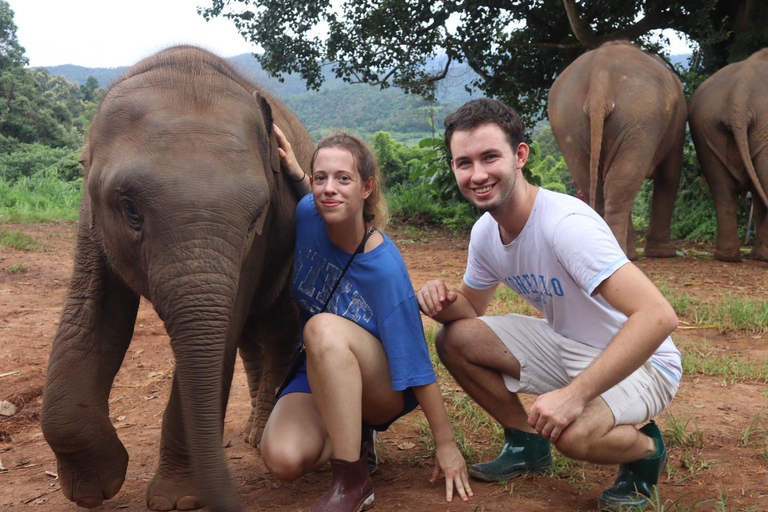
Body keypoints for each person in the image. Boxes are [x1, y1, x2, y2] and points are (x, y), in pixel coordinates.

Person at [416, 98, 681, 510]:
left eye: (490, 157)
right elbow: (470, 308)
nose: (478, 174)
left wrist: (574, 395)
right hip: (568, 343)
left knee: (574, 435)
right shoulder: (486, 232)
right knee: (454, 338)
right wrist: (440, 300)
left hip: (645, 362)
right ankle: (527, 444)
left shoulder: (565, 226)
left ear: (520, 155)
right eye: (463, 162)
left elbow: (658, 316)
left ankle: (647, 452)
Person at [260, 126, 472, 512]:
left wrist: (446, 443)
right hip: (322, 369)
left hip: (381, 384)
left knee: (320, 327)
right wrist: (294, 171)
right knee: (283, 459)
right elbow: (315, 192)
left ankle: (352, 482)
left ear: (366, 187)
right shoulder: (308, 214)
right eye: (321, 177)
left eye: (344, 179)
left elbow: (416, 363)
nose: (329, 189)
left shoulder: (385, 268)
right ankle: (351, 433)